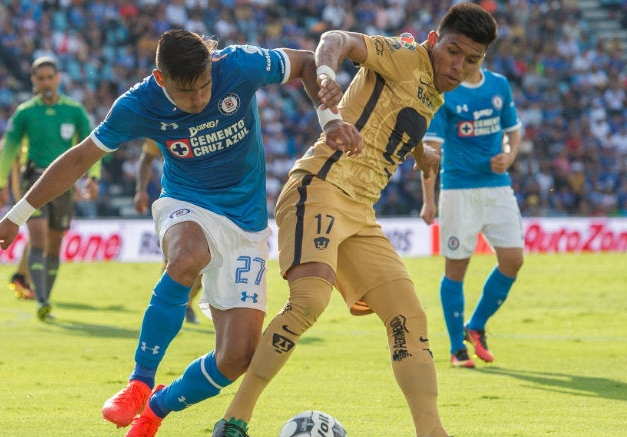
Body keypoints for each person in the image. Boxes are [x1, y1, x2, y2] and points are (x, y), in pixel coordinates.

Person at [0, 30, 335, 437]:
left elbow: (305, 60)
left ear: (212, 68)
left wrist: (329, 120)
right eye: (186, 92)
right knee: (185, 257)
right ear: (161, 79)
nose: (198, 100)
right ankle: (139, 382)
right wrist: (16, 215)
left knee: (236, 358)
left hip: (246, 224)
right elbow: (79, 159)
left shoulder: (238, 65)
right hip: (186, 202)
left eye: (204, 88)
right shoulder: (138, 103)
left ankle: (156, 408)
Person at [211, 4, 498, 437]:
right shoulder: (404, 56)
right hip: (320, 187)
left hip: (360, 214)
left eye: (471, 60)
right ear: (434, 41)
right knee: (309, 300)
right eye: (453, 51)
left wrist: (423, 155)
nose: (458, 66)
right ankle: (235, 420)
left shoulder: (433, 91)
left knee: (408, 316)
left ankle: (432, 432)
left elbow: (399, 126)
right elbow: (336, 40)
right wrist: (326, 74)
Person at [420, 66, 524, 368]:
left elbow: (513, 130)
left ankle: (476, 325)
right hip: (458, 190)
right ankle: (457, 349)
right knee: (456, 268)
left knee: (513, 259)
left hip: (497, 188)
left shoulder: (499, 85)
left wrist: (510, 156)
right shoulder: (445, 92)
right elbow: (431, 151)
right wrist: (429, 200)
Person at [0, 56, 100, 320]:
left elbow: (94, 146)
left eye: (50, 77)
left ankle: (44, 294)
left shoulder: (74, 111)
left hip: (64, 185)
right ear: (34, 81)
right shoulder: (25, 112)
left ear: (58, 78)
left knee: (53, 246)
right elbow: (8, 149)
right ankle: (42, 300)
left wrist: (92, 178)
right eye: (41, 78)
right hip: (33, 181)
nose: (46, 82)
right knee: (37, 239)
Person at [135, 138, 202, 324]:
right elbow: (146, 158)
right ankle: (163, 308)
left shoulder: (213, 120)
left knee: (206, 264)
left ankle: (187, 304)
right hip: (176, 200)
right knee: (174, 259)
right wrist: (140, 190)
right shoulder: (165, 122)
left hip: (209, 201)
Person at [0, 137, 35, 300]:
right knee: (39, 233)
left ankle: (24, 278)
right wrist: (2, 183)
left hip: (31, 184)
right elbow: (1, 150)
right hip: (28, 186)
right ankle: (23, 278)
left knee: (38, 235)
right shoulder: (23, 124)